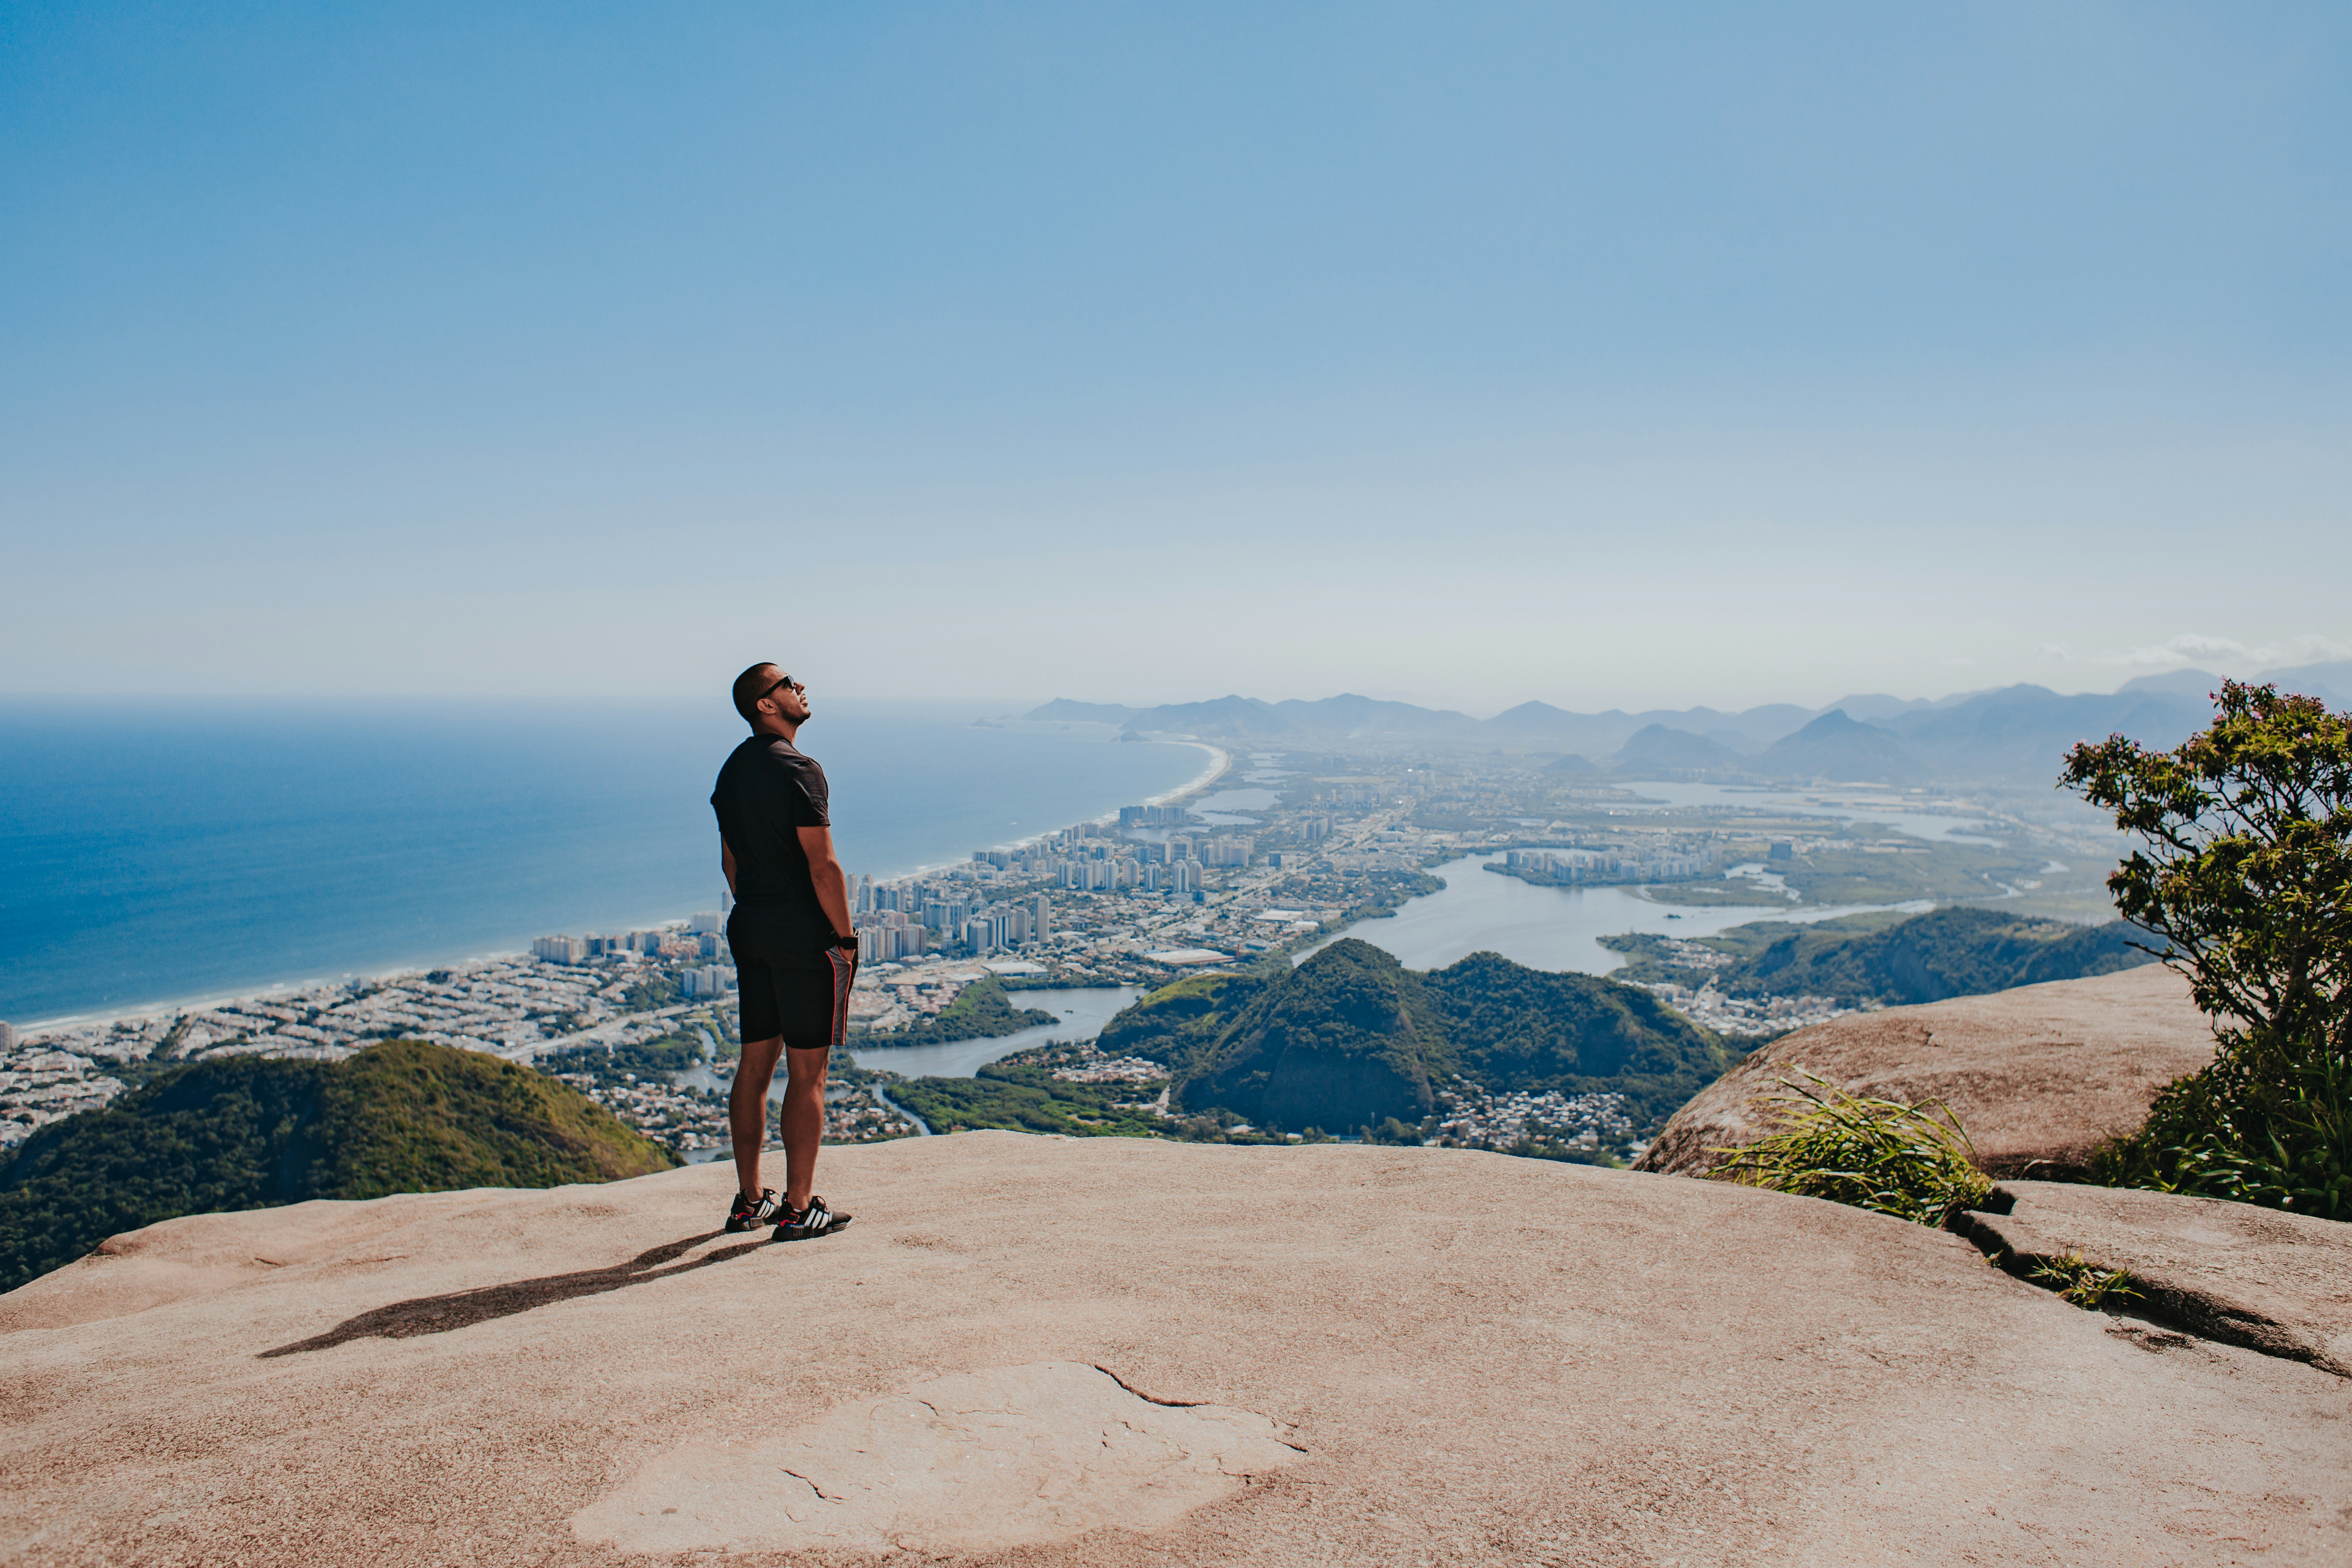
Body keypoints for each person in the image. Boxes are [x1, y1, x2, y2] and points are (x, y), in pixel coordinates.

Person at [710, 662, 857, 1241]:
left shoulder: (733, 771)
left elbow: (731, 864)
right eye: (789, 684)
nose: (801, 689)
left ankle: (750, 1202)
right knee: (808, 1072)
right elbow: (823, 866)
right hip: (802, 939)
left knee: (753, 1065)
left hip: (750, 927)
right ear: (765, 705)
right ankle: (799, 1210)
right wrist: (844, 941)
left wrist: (761, 911)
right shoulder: (801, 770)